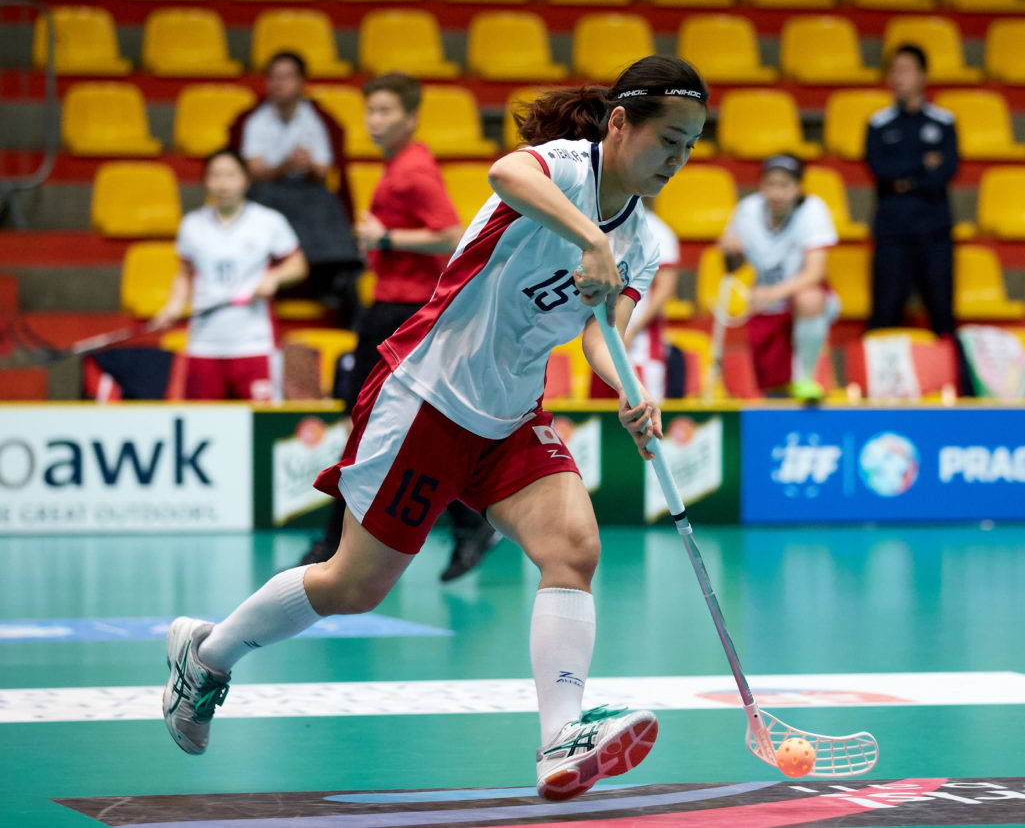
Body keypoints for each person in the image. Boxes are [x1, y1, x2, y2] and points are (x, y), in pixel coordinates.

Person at [162, 55, 708, 803]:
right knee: (353, 585)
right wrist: (590, 238)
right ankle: (208, 651)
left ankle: (560, 738)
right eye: (668, 140)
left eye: (689, 146)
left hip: (512, 413)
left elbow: (602, 333)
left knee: (573, 547)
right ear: (620, 124)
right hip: (425, 397)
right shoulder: (564, 168)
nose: (677, 160)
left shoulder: (643, 237)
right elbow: (504, 177)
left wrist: (632, 390)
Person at [298, 72, 502, 581]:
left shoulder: (413, 171)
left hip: (403, 313)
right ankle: (464, 523)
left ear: (410, 118)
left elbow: (452, 234)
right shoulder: (399, 166)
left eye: (386, 111)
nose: (375, 121)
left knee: (371, 422)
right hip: (392, 309)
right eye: (370, 111)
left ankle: (333, 543)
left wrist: (386, 238)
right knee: (380, 425)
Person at [154, 149, 308, 401]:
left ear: (245, 180)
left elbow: (298, 265)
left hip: (254, 343)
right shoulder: (191, 225)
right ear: (206, 181)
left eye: (231, 175)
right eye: (216, 175)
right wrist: (173, 305)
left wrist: (274, 278)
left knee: (261, 429)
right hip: (204, 344)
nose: (223, 183)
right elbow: (184, 274)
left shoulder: (268, 221)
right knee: (202, 428)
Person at [228, 51, 361, 321]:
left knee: (325, 200)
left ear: (301, 82)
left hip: (306, 190)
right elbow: (252, 171)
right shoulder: (255, 120)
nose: (279, 84)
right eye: (274, 77)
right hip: (268, 190)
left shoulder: (316, 118)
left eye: (286, 77)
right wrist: (285, 165)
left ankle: (333, 281)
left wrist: (309, 165)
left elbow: (324, 170)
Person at [718, 154, 838, 400]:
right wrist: (731, 252)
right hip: (764, 303)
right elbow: (733, 266)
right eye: (771, 184)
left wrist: (773, 293)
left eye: (785, 185)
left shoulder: (813, 210)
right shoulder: (747, 211)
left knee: (810, 299)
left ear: (798, 187)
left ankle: (806, 378)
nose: (777, 193)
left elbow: (815, 273)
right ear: (761, 185)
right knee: (774, 392)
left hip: (798, 299)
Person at [865, 43, 959, 339]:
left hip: (934, 230)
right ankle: (878, 385)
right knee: (885, 311)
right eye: (893, 71)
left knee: (942, 313)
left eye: (905, 70)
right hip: (892, 230)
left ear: (923, 76)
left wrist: (904, 179)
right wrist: (923, 163)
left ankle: (951, 382)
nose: (897, 77)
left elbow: (946, 172)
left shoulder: (944, 122)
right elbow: (880, 169)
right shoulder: (878, 123)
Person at [589, 200, 680, 400]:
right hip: (601, 340)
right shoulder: (601, 223)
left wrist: (632, 330)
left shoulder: (659, 232)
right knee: (601, 420)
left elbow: (665, 290)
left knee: (643, 414)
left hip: (640, 345)